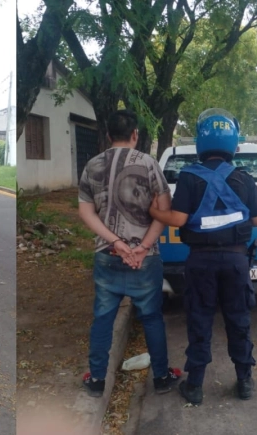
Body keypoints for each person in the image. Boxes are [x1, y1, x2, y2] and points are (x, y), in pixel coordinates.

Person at [150, 108, 257, 405]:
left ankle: (196, 386)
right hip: (236, 261)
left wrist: (154, 211)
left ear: (201, 143)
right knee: (238, 320)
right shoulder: (243, 178)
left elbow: (177, 219)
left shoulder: (189, 177)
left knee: (200, 320)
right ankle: (244, 382)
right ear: (233, 143)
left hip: (200, 262)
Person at [77, 109, 180, 398]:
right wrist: (143, 246)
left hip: (107, 256)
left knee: (102, 318)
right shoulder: (148, 164)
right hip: (144, 260)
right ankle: (161, 377)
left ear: (108, 135)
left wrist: (115, 242)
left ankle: (96, 380)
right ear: (135, 135)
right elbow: (164, 211)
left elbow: (85, 212)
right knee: (152, 318)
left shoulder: (92, 165)